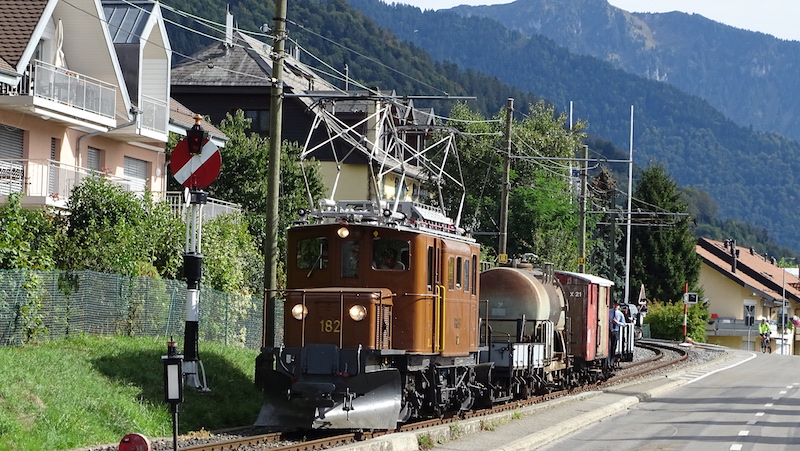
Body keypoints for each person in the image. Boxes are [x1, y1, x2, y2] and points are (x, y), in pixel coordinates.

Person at [608, 301, 625, 367]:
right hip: (609, 330)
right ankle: (608, 360)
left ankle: (612, 361)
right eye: (615, 305)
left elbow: (624, 324)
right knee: (608, 346)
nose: (616, 306)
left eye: (617, 305)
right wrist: (610, 321)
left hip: (615, 331)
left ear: (619, 306)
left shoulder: (620, 314)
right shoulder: (609, 312)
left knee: (613, 346)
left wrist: (617, 322)